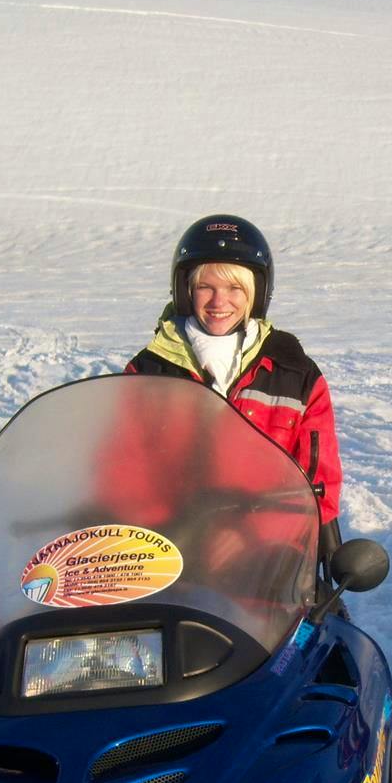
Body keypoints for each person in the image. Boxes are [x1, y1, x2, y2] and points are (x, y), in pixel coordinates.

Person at [125, 215, 343, 543]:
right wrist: (175, 532)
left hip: (270, 560)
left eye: (234, 288)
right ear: (185, 291)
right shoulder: (148, 372)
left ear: (256, 293)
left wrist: (249, 537)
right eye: (205, 287)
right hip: (166, 550)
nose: (218, 301)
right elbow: (122, 472)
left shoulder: (295, 376)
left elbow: (317, 490)